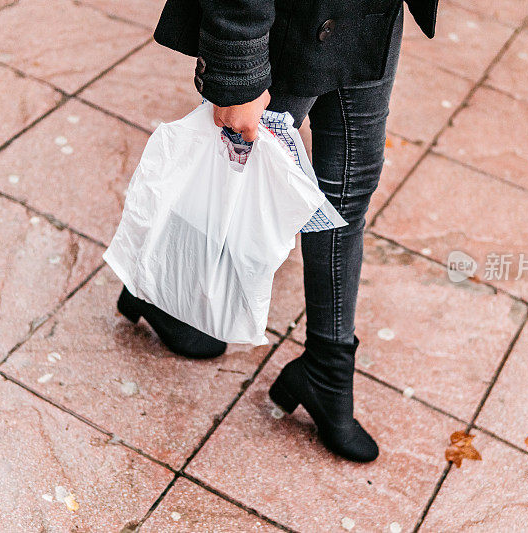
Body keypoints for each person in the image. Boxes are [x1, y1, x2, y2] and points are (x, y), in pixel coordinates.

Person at [117, 0, 439, 462]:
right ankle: (156, 288)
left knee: (348, 193)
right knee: (238, 175)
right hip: (295, 18)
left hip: (371, 16)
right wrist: (238, 67)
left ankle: (326, 372)